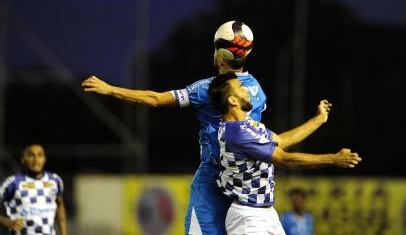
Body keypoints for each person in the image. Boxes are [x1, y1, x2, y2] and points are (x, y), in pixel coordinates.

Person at [82, 21, 326, 234]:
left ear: (219, 56)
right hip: (244, 190)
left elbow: (154, 99)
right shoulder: (257, 90)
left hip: (212, 182)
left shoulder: (208, 89)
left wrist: (110, 89)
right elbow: (271, 141)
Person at [207, 72, 361, 235]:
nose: (246, 90)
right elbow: (285, 159)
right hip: (248, 219)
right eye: (241, 87)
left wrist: (319, 119)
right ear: (232, 100)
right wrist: (333, 159)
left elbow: (281, 141)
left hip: (266, 215)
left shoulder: (247, 125)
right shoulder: (237, 133)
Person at [0, 144, 68, 235]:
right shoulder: (11, 182)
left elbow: (60, 206)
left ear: (44, 159)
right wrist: (7, 222)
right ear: (23, 159)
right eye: (31, 155)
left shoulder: (55, 180)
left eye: (40, 155)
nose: (36, 160)